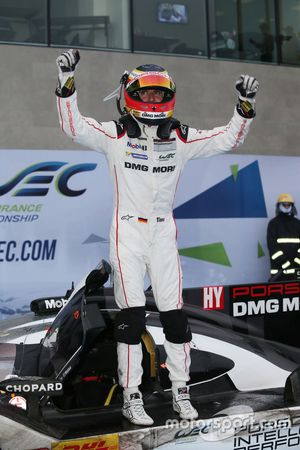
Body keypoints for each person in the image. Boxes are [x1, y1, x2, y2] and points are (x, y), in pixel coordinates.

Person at [55, 49, 259, 426]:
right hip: (128, 230)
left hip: (164, 230)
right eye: (145, 93)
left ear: (169, 96)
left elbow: (227, 139)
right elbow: (74, 127)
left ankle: (181, 392)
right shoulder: (115, 133)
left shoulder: (180, 137)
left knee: (176, 318)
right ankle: (132, 397)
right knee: (131, 318)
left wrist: (243, 107)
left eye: (158, 93)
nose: (152, 99)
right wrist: (67, 83)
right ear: (130, 93)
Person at [267, 193, 300, 281]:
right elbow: (272, 247)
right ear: (279, 206)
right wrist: (285, 264)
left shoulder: (298, 224)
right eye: (284, 204)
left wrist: (297, 261)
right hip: (279, 273)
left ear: (292, 206)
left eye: (288, 204)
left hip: (297, 271)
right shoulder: (273, 224)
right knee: (277, 294)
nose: (286, 206)